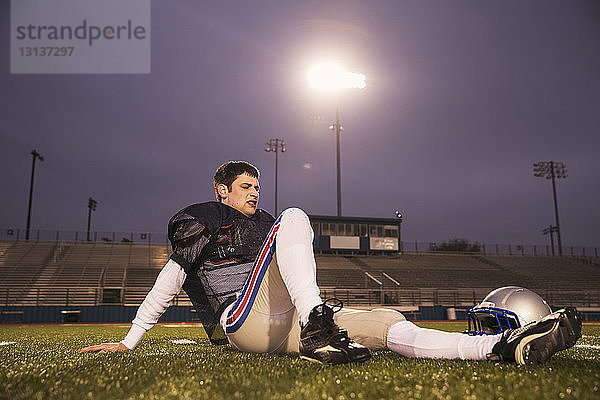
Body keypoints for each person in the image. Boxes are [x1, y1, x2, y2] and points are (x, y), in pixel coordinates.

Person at [79, 161, 582, 365]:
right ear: (221, 190)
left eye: (257, 186)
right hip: (240, 320)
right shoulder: (200, 218)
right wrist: (129, 340)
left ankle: (497, 348)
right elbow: (172, 278)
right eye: (246, 187)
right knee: (296, 215)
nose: (256, 193)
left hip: (282, 324)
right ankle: (319, 324)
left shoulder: (265, 221)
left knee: (385, 321)